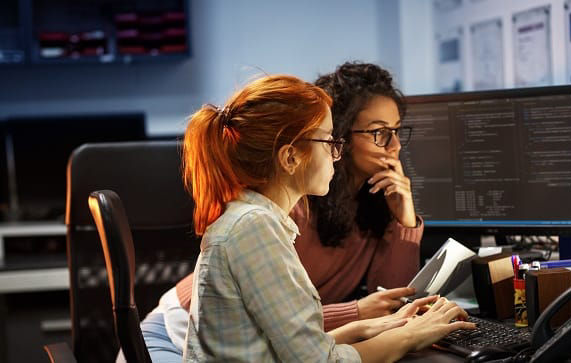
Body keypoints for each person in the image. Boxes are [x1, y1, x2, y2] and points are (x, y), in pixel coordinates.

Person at [122, 62, 461, 361]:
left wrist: (376, 325)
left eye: (396, 132)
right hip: (170, 334)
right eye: (330, 142)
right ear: (290, 158)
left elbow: (288, 340)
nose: (336, 152)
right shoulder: (260, 224)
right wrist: (405, 333)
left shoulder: (265, 218)